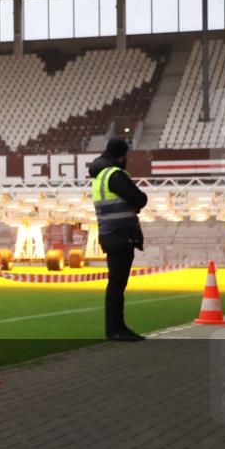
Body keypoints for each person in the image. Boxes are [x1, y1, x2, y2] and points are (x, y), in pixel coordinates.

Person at [88, 138, 148, 342]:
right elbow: (140, 199)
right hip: (120, 235)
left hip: (111, 234)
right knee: (117, 285)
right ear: (122, 155)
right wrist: (135, 203)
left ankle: (116, 328)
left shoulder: (100, 176)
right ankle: (116, 329)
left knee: (116, 284)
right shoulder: (114, 175)